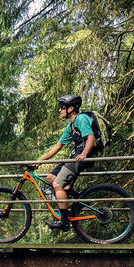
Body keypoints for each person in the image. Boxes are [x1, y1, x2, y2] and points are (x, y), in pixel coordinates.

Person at [35, 94, 97, 231]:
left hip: (83, 156)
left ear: (71, 109)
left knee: (58, 184)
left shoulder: (81, 118)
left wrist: (84, 154)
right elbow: (57, 146)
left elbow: (91, 138)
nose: (60, 110)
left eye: (62, 107)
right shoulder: (70, 126)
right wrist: (39, 162)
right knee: (51, 178)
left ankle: (63, 222)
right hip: (76, 156)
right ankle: (80, 200)